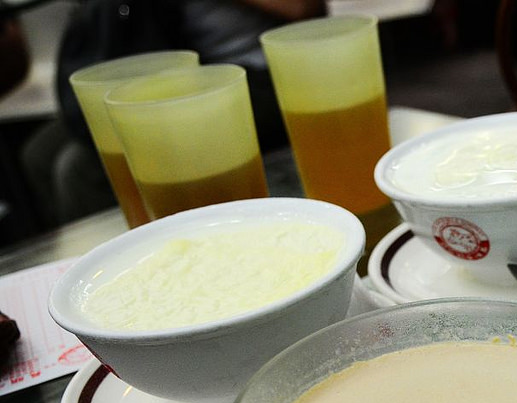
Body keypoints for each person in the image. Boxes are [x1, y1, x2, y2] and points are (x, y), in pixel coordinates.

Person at [19, 0, 323, 231]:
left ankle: (173, 244)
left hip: (256, 68)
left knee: (77, 168)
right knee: (40, 150)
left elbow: (303, 7)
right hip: (177, 58)